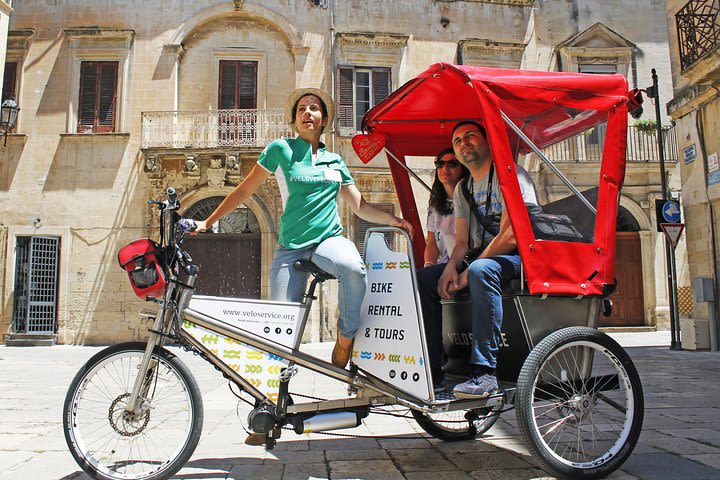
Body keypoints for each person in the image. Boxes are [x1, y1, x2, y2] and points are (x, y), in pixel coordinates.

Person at [194, 88, 412, 369]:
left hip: (328, 240)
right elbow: (245, 189)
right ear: (295, 121)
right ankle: (278, 397)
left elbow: (359, 206)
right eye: (301, 109)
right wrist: (208, 221)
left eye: (314, 108)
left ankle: (346, 336)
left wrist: (394, 221)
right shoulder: (281, 150)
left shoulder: (335, 161)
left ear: (324, 120)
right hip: (290, 248)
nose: (308, 112)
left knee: (354, 268)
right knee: (280, 336)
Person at [418, 120, 537, 398]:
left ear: (486, 140)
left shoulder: (512, 176)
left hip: (520, 259)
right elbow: (460, 243)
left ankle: (484, 372)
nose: (463, 143)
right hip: (483, 259)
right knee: (424, 279)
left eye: (470, 136)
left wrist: (466, 271)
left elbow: (510, 237)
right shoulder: (463, 189)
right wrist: (450, 268)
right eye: (457, 141)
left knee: (480, 270)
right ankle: (436, 371)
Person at [423, 148, 469, 268]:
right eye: (440, 164)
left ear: (462, 168)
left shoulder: (471, 198)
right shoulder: (434, 206)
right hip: (442, 264)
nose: (445, 168)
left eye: (452, 164)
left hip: (466, 263)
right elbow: (432, 244)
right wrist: (428, 266)